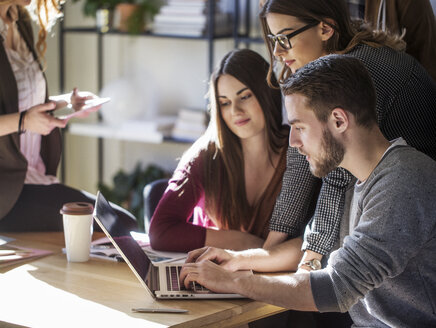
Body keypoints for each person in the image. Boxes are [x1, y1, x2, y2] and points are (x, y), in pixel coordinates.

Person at [181, 55, 436, 328]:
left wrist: (233, 282)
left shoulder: (402, 181)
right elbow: (325, 252)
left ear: (338, 120)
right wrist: (237, 259)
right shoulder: (357, 178)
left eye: (299, 127)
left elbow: (336, 287)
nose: (293, 142)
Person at [259, 0, 436, 270]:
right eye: (273, 39)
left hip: (415, 219)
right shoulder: (329, 70)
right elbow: (298, 162)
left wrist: (311, 257)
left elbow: (338, 173)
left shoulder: (358, 72)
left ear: (325, 29)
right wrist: (267, 250)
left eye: (285, 38)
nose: (278, 51)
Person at [0, 0, 133, 231]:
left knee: (121, 223)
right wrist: (23, 122)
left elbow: (13, 99)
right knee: (118, 225)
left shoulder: (17, 18)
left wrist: (66, 102)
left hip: (28, 177)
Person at [148, 49, 290, 252]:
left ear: (266, 92)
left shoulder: (296, 149)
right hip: (214, 274)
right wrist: (244, 242)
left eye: (245, 96)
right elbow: (160, 232)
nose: (235, 111)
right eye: (224, 103)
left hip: (277, 276)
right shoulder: (205, 154)